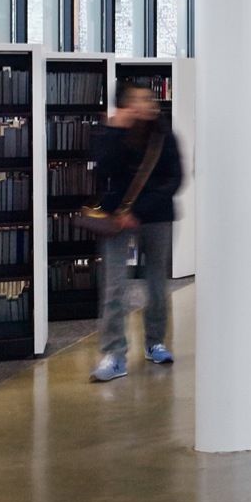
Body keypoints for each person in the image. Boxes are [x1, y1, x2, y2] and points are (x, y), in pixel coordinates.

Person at [89, 84, 185, 383]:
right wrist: (115, 131)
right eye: (138, 99)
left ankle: (155, 342)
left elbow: (174, 179)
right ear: (125, 105)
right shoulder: (112, 132)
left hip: (156, 217)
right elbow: (103, 170)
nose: (146, 104)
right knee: (115, 285)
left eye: (148, 98)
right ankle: (114, 353)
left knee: (156, 283)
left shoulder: (163, 135)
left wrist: (139, 211)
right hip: (116, 219)